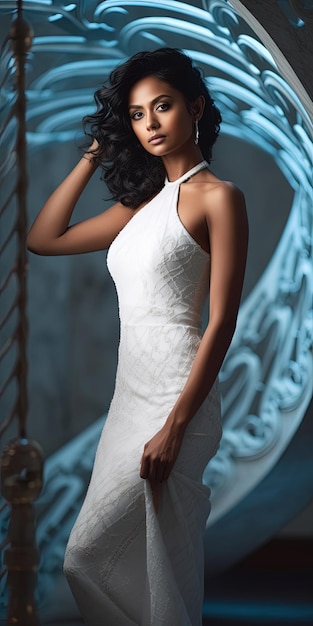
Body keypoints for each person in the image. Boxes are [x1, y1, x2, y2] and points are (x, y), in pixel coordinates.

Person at [27, 48, 248, 626]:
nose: (149, 123)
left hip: (179, 395)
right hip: (129, 400)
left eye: (163, 106)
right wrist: (92, 155)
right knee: (92, 560)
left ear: (195, 108)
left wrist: (175, 427)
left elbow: (221, 322)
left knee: (132, 560)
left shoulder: (220, 199)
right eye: (135, 114)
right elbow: (43, 238)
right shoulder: (138, 207)